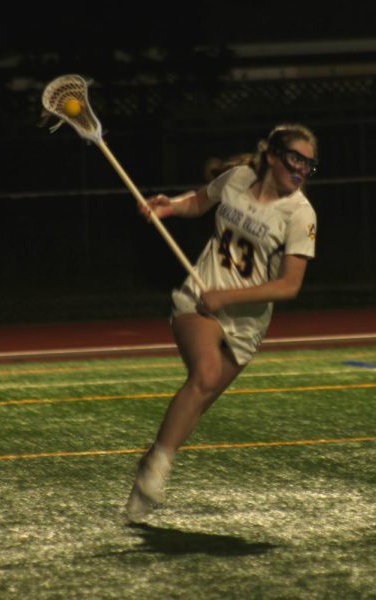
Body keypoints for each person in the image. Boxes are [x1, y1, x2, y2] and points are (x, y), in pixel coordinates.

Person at [125, 123, 319, 521]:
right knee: (206, 374)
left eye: (309, 164)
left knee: (199, 400)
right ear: (271, 156)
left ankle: (151, 462)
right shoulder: (238, 178)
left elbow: (289, 286)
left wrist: (227, 298)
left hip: (246, 324)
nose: (301, 169)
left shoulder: (301, 214)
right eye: (295, 158)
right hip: (199, 298)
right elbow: (198, 201)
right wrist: (169, 205)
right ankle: (159, 468)